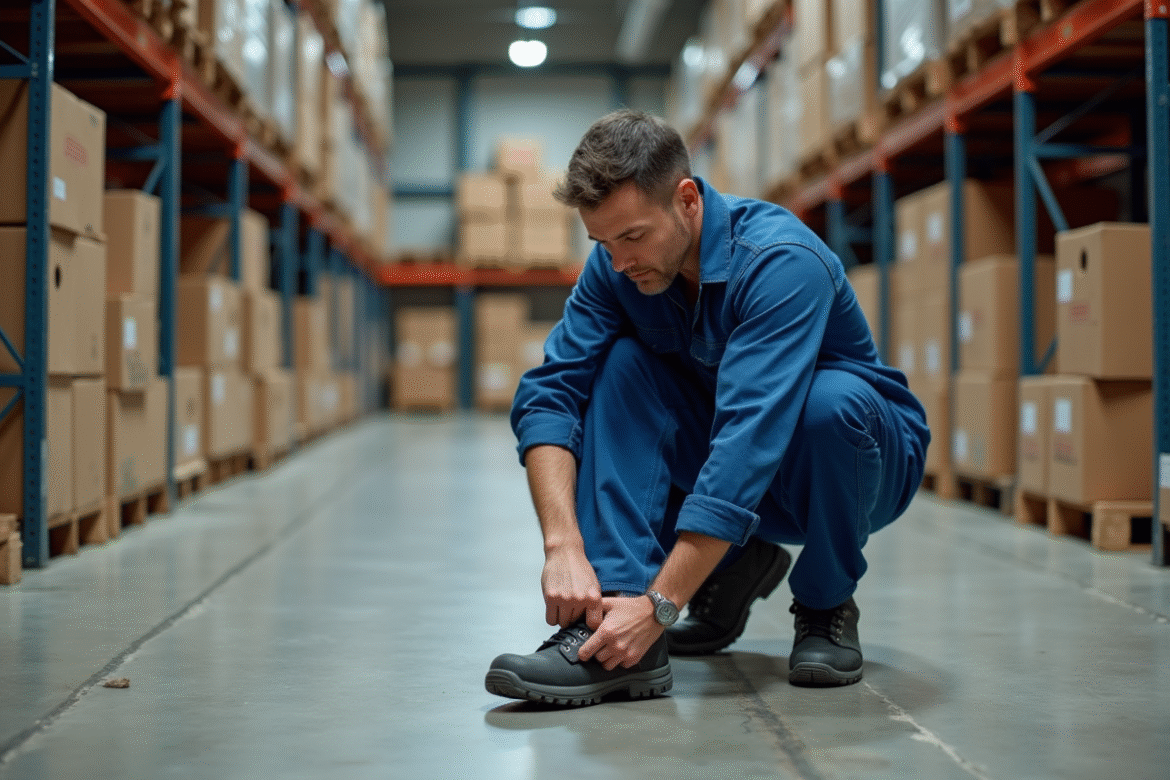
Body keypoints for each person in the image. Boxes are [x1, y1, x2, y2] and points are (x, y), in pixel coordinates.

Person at [484, 109, 929, 707]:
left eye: (633, 236)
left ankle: (826, 606)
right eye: (603, 243)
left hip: (847, 467)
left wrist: (663, 606)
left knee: (831, 405)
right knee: (620, 367)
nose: (618, 262)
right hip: (736, 461)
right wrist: (563, 546)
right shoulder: (617, 267)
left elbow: (749, 442)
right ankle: (616, 626)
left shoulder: (779, 261)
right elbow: (550, 392)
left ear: (687, 199)